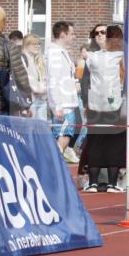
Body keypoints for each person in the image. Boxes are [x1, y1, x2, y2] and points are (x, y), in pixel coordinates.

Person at [84, 25, 127, 192]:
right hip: (106, 104)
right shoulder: (99, 55)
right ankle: (103, 183)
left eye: (103, 33)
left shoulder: (97, 56)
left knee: (105, 142)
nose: (100, 36)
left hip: (107, 103)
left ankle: (103, 183)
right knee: (104, 142)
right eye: (97, 33)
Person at [47, 21, 81, 162]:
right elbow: (53, 80)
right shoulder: (55, 53)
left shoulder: (62, 52)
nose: (74, 37)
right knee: (64, 134)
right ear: (62, 35)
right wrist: (58, 105)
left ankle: (55, 163)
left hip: (67, 101)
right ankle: (52, 164)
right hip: (63, 104)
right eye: (71, 34)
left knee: (66, 134)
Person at [22, 33, 48, 121]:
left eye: (39, 44)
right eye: (34, 44)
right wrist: (43, 88)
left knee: (41, 125)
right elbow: (28, 79)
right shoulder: (23, 59)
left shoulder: (39, 59)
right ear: (26, 44)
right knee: (29, 125)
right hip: (29, 100)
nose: (37, 46)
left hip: (41, 99)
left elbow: (44, 78)